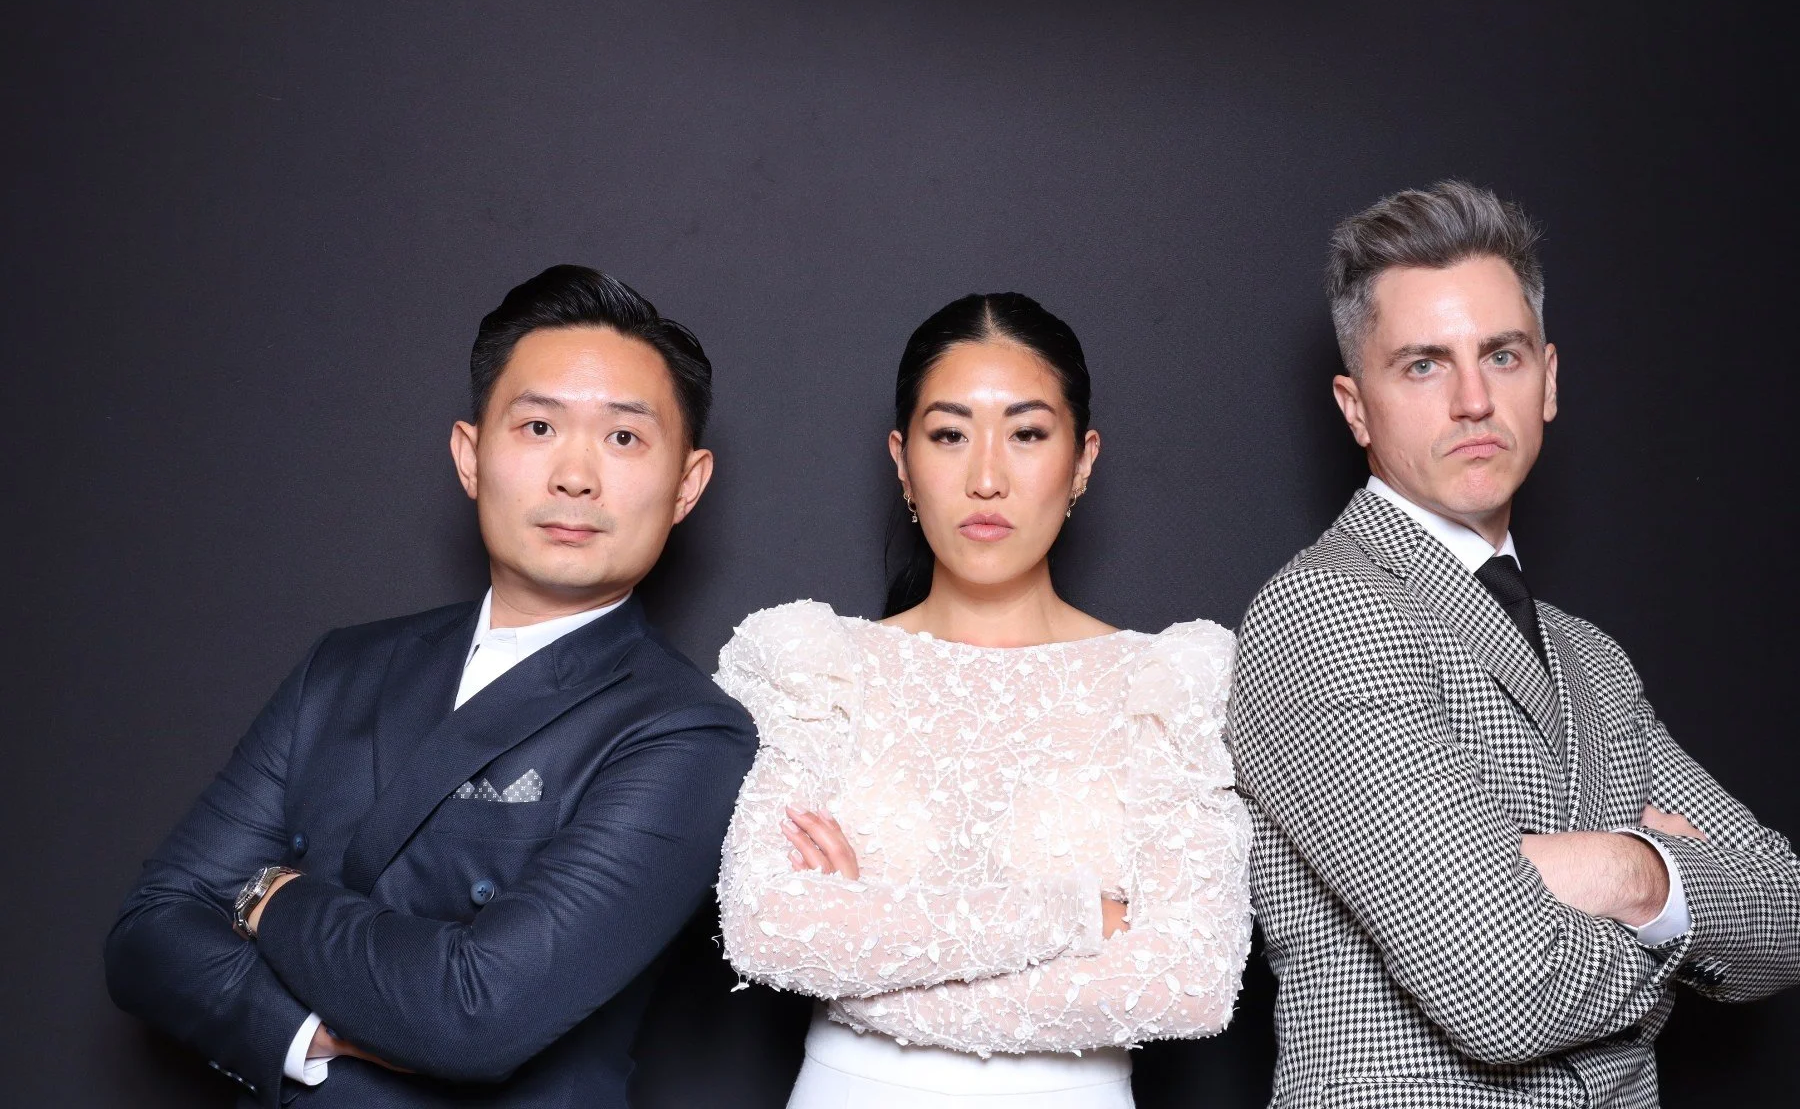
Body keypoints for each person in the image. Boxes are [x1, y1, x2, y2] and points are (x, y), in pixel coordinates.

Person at [104, 265, 757, 1107]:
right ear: (470, 455)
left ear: (687, 485)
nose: (575, 476)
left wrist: (268, 893)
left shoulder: (687, 732)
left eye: (624, 438)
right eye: (536, 427)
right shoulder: (344, 667)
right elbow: (150, 928)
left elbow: (473, 1013)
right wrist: (299, 1034)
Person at [1229, 181, 1800, 1107]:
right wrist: (1674, 930)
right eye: (1422, 365)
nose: (1471, 399)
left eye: (1502, 354)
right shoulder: (1324, 612)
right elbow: (1505, 990)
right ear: (1354, 406)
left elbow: (1783, 914)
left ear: (1550, 380)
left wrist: (1627, 870)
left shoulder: (1593, 659)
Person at [715, 294, 1252, 1108]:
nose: (987, 478)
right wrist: (1080, 916)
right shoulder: (819, 667)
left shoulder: (1165, 682)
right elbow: (765, 927)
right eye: (950, 434)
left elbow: (1191, 982)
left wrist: (870, 933)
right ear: (902, 461)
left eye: (1028, 434)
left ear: (1083, 460)